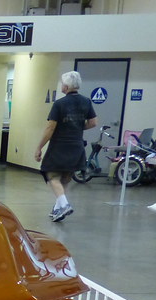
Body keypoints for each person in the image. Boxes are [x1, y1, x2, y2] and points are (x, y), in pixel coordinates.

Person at [34, 71, 97, 223]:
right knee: (65, 179)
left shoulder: (60, 104)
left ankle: (64, 205)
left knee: (51, 175)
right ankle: (57, 209)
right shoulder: (86, 102)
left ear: (66, 86)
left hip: (60, 145)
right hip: (76, 145)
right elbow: (93, 123)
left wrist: (39, 147)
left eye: (62, 83)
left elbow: (50, 128)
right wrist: (76, 128)